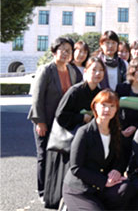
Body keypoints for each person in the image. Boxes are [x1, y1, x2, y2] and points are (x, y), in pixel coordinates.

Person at [43, 57, 106, 207]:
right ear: (86, 72)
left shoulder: (100, 93)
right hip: (69, 139)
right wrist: (81, 117)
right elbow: (60, 115)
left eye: (100, 70)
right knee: (66, 175)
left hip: (87, 141)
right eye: (94, 70)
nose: (97, 73)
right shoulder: (75, 91)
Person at [28, 37, 80, 201]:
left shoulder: (72, 71)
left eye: (69, 51)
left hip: (63, 123)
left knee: (59, 157)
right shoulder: (46, 70)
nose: (65, 53)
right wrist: (39, 121)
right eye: (62, 50)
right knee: (43, 156)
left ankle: (55, 190)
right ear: (54, 51)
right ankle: (42, 191)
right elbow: (37, 98)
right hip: (46, 121)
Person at [62, 90, 133, 210]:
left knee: (126, 188)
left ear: (116, 109)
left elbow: (120, 158)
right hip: (81, 189)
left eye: (112, 106)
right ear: (95, 106)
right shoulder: (84, 132)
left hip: (102, 187)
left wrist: (116, 170)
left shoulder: (116, 132)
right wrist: (104, 181)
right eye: (103, 105)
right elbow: (76, 167)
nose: (107, 110)